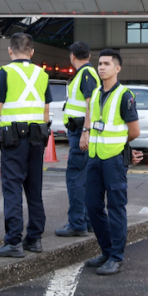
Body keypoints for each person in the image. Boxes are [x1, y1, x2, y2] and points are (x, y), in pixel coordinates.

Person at [0, 33, 52, 258]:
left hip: (13, 138)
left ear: (10, 51)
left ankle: (13, 241)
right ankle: (34, 239)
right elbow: (45, 110)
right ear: (32, 52)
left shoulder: (6, 72)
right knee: (34, 188)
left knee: (12, 187)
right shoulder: (42, 74)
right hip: (37, 138)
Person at [81, 49, 144, 275]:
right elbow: (92, 118)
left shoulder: (124, 95)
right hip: (95, 158)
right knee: (92, 205)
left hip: (114, 160)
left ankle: (116, 257)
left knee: (116, 208)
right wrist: (85, 132)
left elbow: (134, 131)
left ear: (117, 68)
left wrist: (118, 145)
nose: (101, 67)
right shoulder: (97, 93)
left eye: (107, 64)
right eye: (100, 63)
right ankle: (107, 251)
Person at [56, 41, 100, 238]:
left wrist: (85, 131)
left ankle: (77, 223)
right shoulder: (86, 74)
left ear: (72, 56)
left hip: (80, 133)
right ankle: (87, 221)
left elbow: (91, 104)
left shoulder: (86, 75)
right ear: (89, 56)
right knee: (85, 178)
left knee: (75, 177)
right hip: (80, 131)